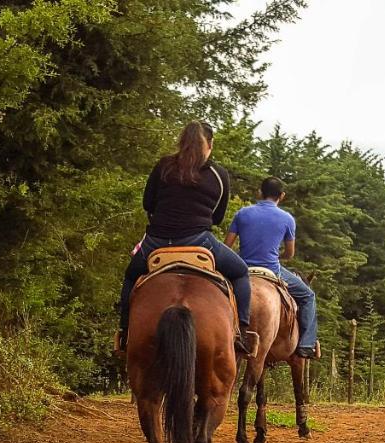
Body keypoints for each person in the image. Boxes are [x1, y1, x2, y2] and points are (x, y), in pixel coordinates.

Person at [118, 121, 252, 353]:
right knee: (240, 272)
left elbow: (147, 203)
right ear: (209, 144)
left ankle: (124, 333)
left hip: (156, 243)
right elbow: (217, 217)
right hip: (199, 241)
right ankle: (241, 332)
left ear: (182, 142)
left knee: (131, 276)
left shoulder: (164, 166)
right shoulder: (218, 174)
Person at [225, 177, 317, 358]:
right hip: (272, 269)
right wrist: (278, 256)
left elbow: (227, 245)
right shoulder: (287, 219)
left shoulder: (242, 213)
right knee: (308, 296)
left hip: (242, 268)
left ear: (260, 192)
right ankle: (307, 344)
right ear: (281, 196)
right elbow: (290, 253)